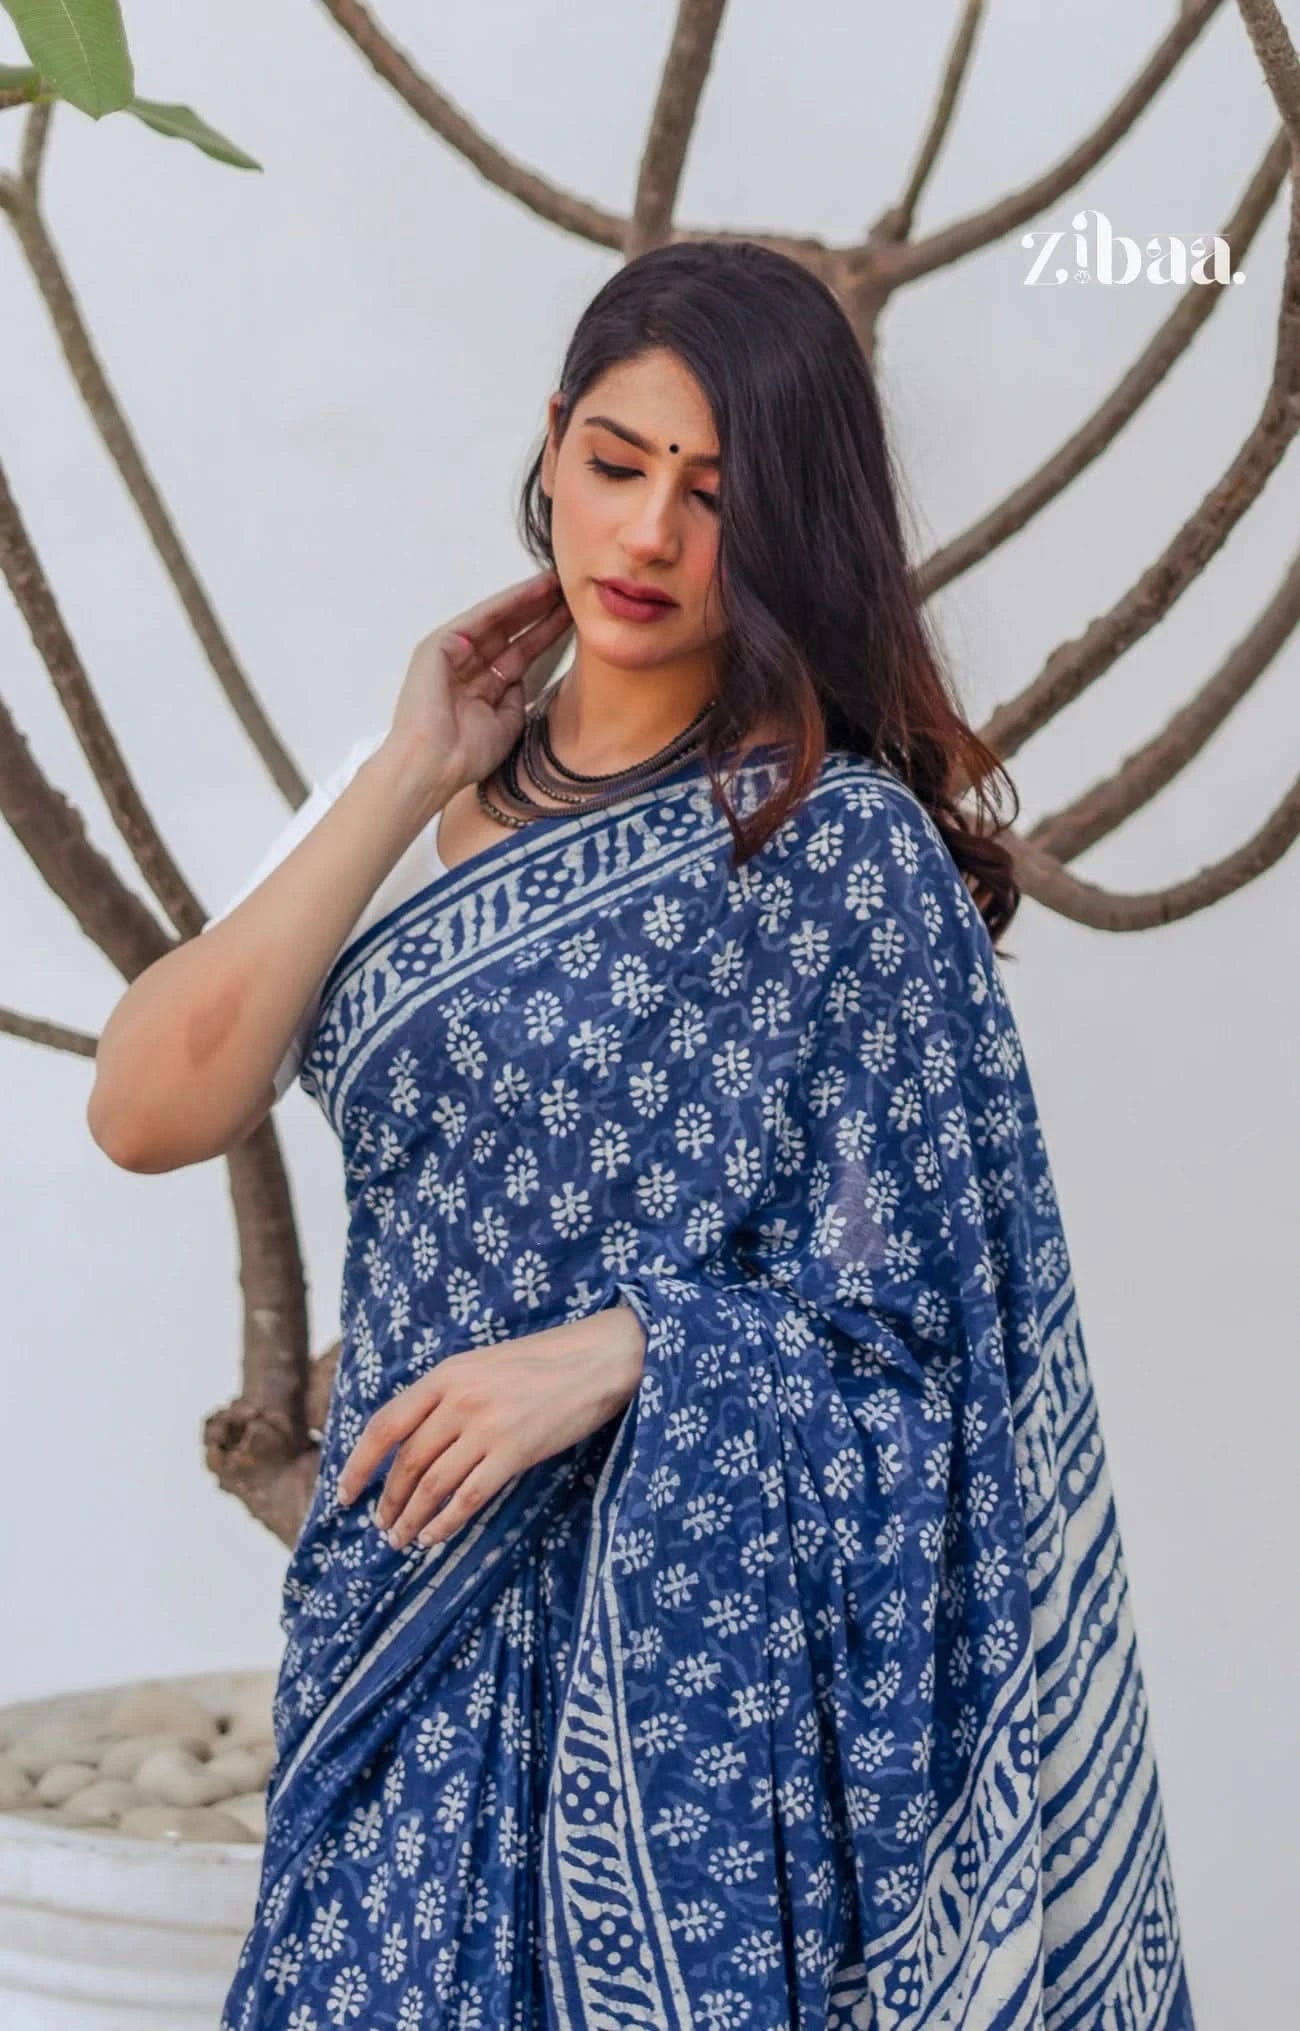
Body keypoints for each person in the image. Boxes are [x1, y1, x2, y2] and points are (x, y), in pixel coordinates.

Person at [88, 240, 1195, 2030]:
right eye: (616, 464)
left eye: (717, 497)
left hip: (702, 1710)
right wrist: (407, 770)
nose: (651, 535)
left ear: (792, 527)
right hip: (402, 1612)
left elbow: (931, 1358)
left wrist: (631, 1350)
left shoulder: (840, 855)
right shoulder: (406, 795)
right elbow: (146, 1109)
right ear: (552, 446)